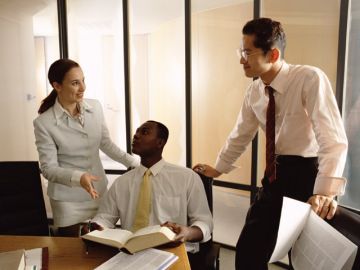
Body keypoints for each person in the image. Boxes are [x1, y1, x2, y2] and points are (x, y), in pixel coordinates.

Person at [193, 18, 348, 270]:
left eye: (247, 52)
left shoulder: (309, 78)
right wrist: (217, 169)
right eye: (240, 52)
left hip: (309, 176)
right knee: (248, 251)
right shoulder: (254, 91)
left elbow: (333, 139)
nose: (241, 60)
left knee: (303, 260)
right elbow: (240, 135)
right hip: (276, 175)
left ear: (273, 53)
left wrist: (324, 192)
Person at [33, 59, 138, 237]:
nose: (83, 87)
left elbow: (105, 143)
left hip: (98, 193)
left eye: (83, 80)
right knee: (74, 251)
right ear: (57, 85)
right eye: (75, 83)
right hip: (67, 200)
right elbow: (48, 169)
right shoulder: (44, 123)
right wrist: (79, 177)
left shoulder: (95, 107)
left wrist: (135, 162)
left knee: (103, 246)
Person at [87, 120, 213, 269]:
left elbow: (205, 222)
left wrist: (188, 232)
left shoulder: (187, 178)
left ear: (160, 142)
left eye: (144, 132)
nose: (136, 135)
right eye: (137, 132)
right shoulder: (122, 182)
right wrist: (95, 227)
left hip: (173, 253)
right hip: (130, 255)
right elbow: (105, 217)